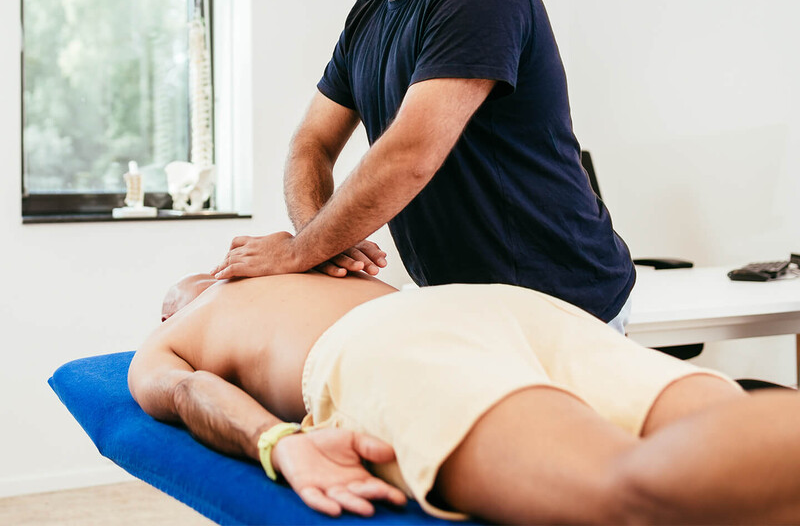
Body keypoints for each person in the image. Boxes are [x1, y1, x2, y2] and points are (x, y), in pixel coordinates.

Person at [211, 0, 634, 329]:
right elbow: (311, 144)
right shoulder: (366, 19)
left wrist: (298, 253)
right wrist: (319, 243)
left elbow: (411, 153)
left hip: (560, 304)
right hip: (460, 308)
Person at [131, 271, 800, 525]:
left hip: (392, 339)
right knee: (731, 440)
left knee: (628, 491)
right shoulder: (177, 331)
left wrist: (276, 442)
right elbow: (189, 391)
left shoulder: (268, 269)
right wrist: (280, 442)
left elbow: (191, 391)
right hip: (491, 305)